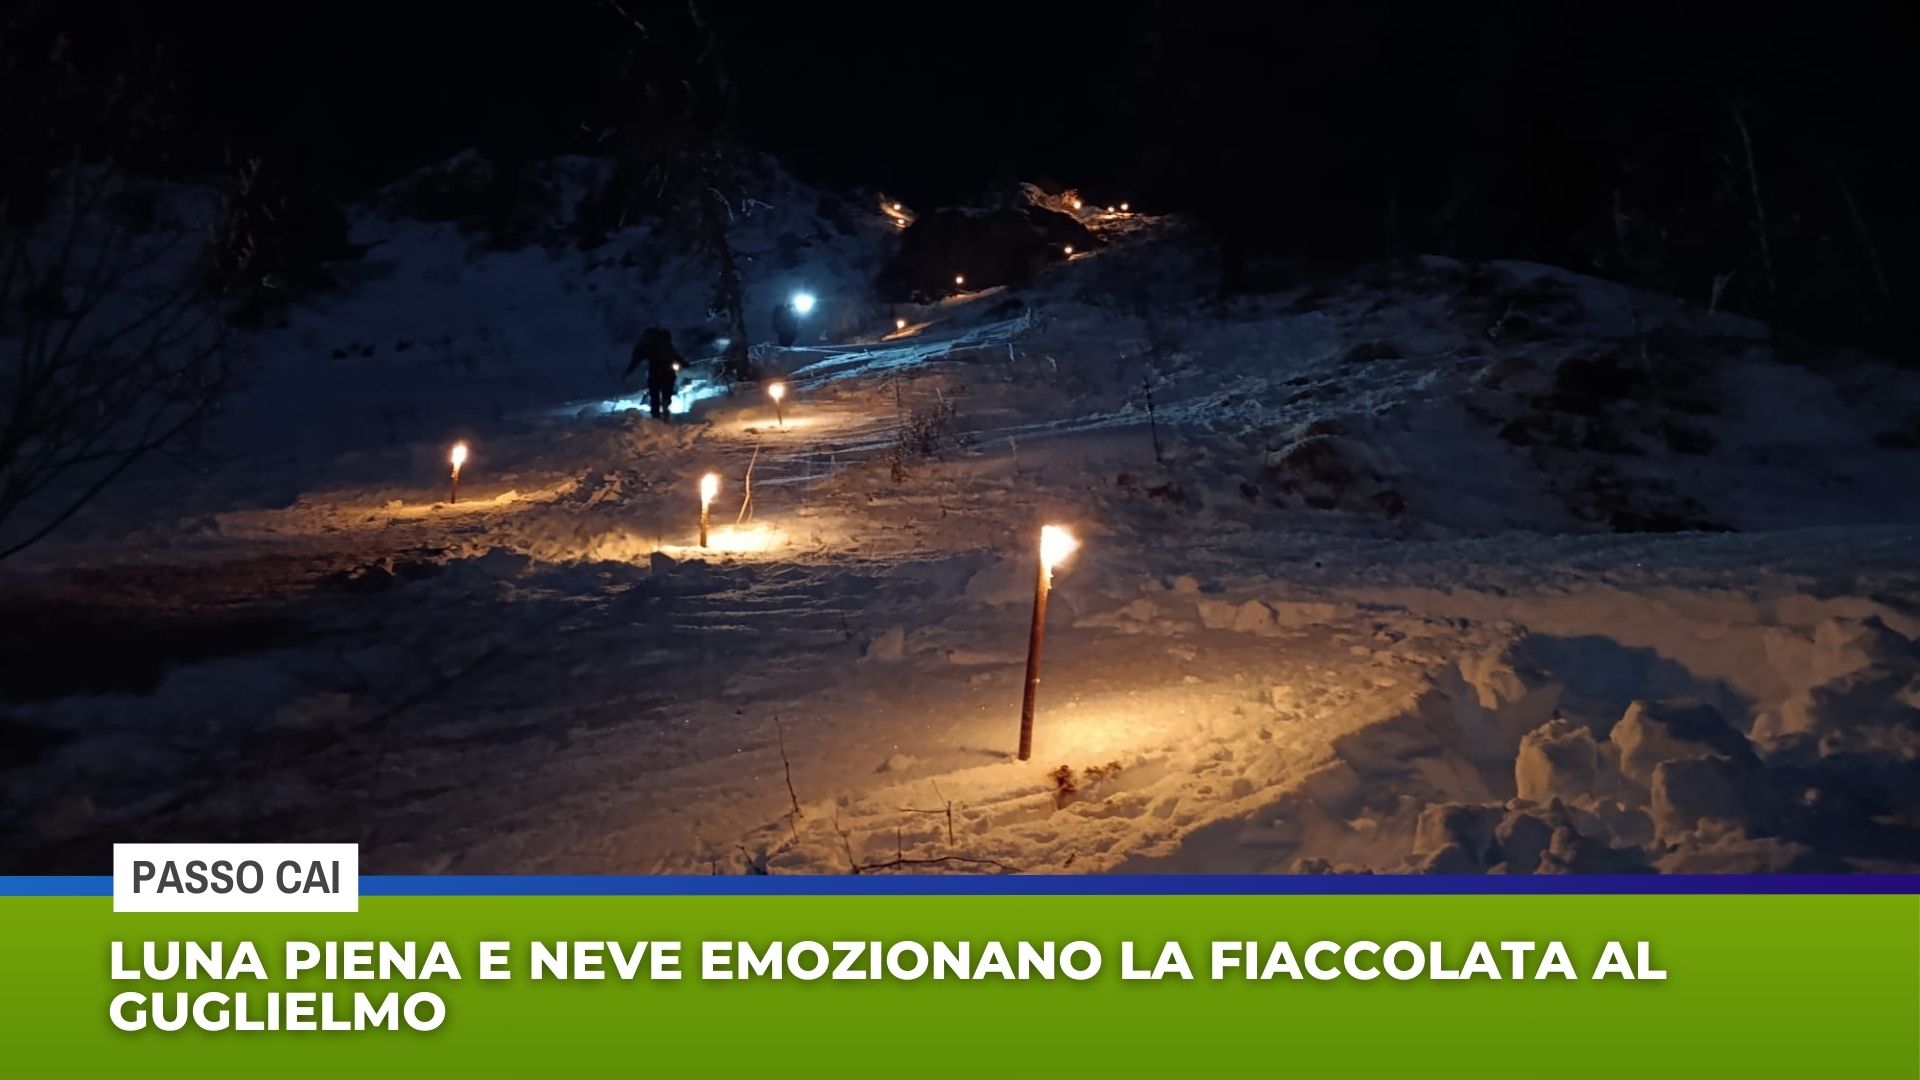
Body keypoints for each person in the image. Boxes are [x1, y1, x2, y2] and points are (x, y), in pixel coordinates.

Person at [624, 328, 684, 420]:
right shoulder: (667, 344)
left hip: (654, 372)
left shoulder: (648, 346)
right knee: (666, 392)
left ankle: (656, 415)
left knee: (654, 394)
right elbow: (675, 355)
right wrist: (685, 364)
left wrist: (629, 371)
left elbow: (637, 359)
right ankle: (665, 410)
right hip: (668, 372)